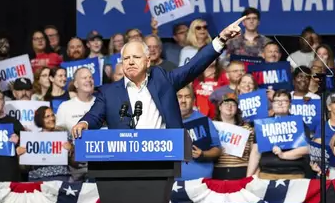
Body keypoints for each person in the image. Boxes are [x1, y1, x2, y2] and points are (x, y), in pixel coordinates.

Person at [73, 15, 248, 135]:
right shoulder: (109, 92)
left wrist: (221, 39)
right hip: (123, 163)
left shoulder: (163, 80)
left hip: (162, 160)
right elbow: (94, 116)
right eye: (126, 58)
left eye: (136, 57)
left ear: (148, 61)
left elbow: (194, 66)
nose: (131, 62)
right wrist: (84, 123)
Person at [247, 90, 310, 179]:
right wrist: (248, 177)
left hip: (294, 174)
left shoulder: (298, 123)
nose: (280, 104)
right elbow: (255, 152)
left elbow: (306, 149)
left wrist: (284, 155)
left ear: (290, 104)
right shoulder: (263, 124)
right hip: (267, 174)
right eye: (276, 101)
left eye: (284, 101)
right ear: (272, 104)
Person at [177, 85, 221, 180]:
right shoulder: (165, 121)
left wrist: (203, 154)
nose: (183, 100)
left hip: (202, 181)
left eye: (187, 97)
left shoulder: (204, 120)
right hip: (174, 182)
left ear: (193, 101)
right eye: (179, 97)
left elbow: (217, 150)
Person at [21, 106, 73, 182]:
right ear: (40, 120)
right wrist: (21, 155)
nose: (52, 118)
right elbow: (25, 167)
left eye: (52, 115)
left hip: (61, 177)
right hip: (37, 178)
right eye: (47, 117)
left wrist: (71, 149)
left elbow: (76, 162)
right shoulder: (32, 139)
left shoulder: (64, 135)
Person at [213, 93, 254, 180]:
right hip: (218, 171)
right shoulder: (211, 127)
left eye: (233, 104)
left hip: (242, 171)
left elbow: (253, 154)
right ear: (219, 107)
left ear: (237, 109)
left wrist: (250, 177)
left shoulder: (247, 129)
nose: (229, 106)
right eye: (226, 103)